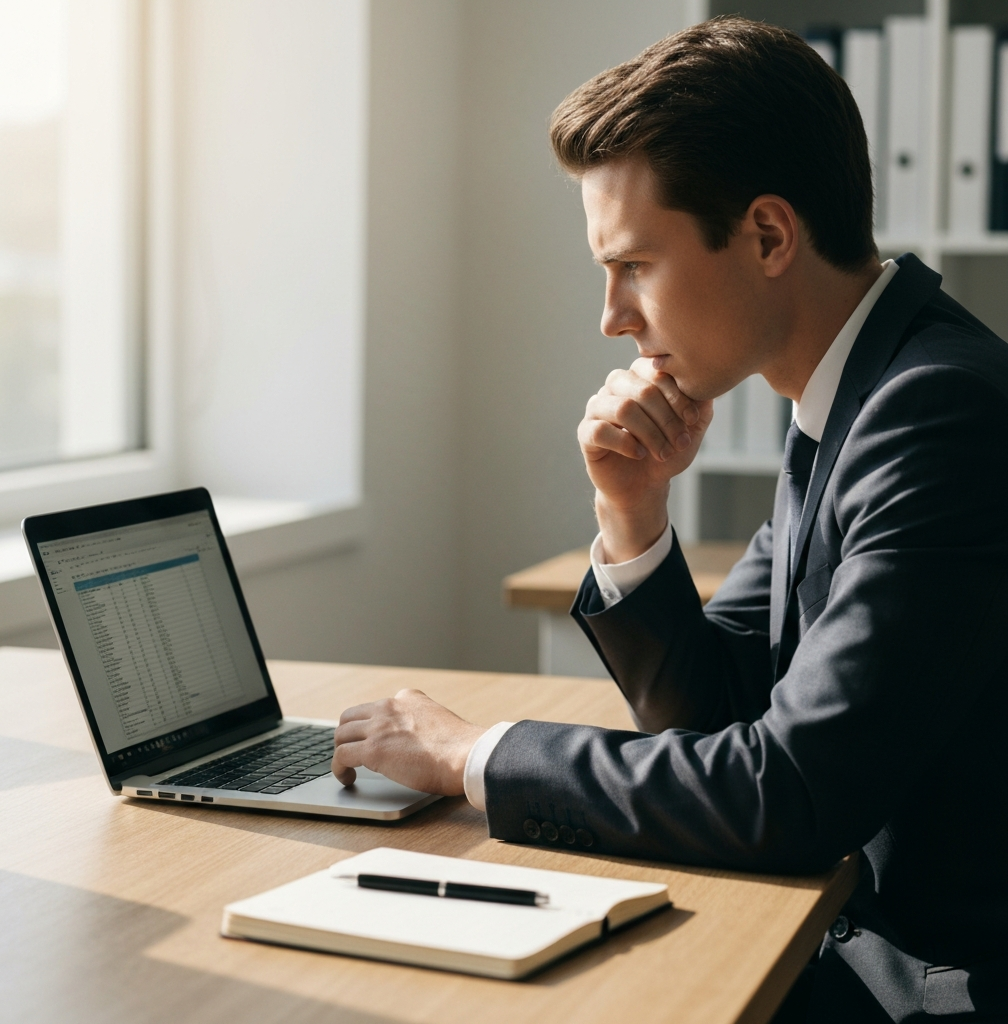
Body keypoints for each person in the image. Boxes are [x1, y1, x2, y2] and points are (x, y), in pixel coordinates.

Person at [331, 17, 1008, 1022]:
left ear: (769, 235)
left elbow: (785, 795)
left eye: (634, 265)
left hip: (934, 984)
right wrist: (631, 512)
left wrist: (470, 753)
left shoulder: (932, 413)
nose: (611, 315)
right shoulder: (850, 395)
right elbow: (724, 709)